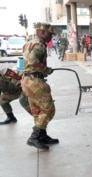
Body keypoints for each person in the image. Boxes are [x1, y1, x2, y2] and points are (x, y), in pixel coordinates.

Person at [21, 22, 59, 150]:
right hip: (35, 80)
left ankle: (42, 136)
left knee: (38, 111)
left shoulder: (29, 43)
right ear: (42, 32)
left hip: (27, 80)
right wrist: (45, 69)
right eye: (49, 34)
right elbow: (33, 61)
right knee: (48, 110)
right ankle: (34, 137)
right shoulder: (39, 44)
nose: (50, 37)